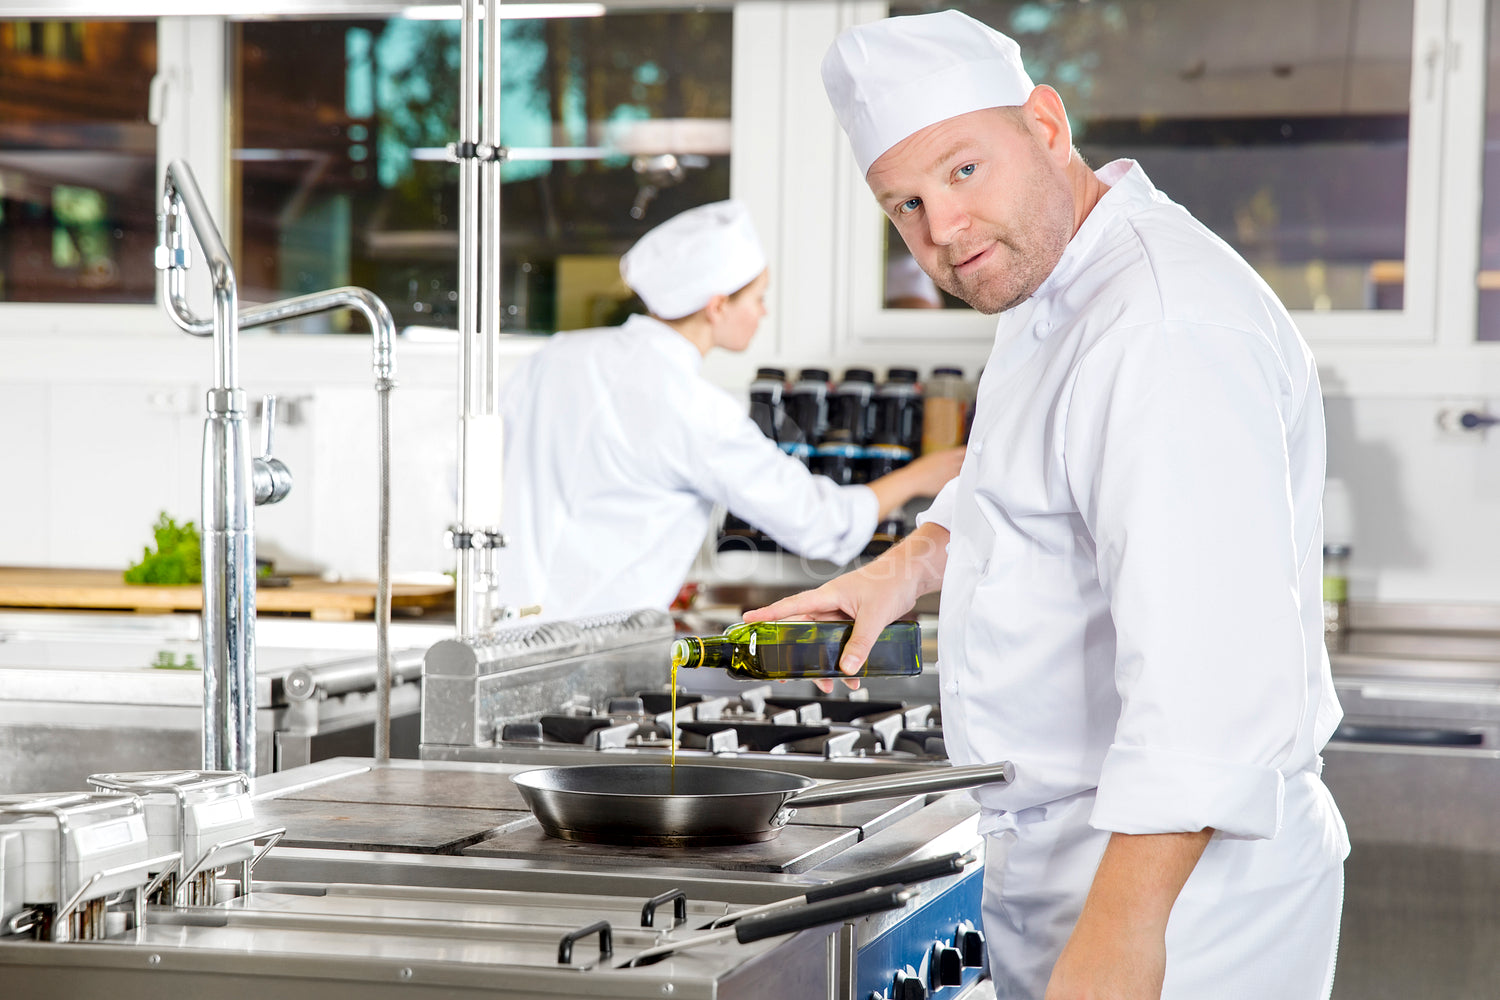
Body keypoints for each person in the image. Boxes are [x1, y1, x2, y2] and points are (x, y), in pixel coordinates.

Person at [749, 11, 1348, 1000]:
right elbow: (1012, 486)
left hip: (1176, 910)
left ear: (1047, 124)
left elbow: (1207, 688)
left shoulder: (1161, 324)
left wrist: (1118, 942)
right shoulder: (1054, 289)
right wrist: (906, 565)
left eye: (962, 172)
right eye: (903, 204)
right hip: (1079, 877)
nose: (942, 230)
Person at [495, 199, 963, 621]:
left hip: (503, 627)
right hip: (591, 644)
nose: (763, 313)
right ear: (717, 307)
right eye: (757, 298)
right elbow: (820, 523)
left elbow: (471, 482)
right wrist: (925, 476)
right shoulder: (691, 407)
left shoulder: (554, 356)